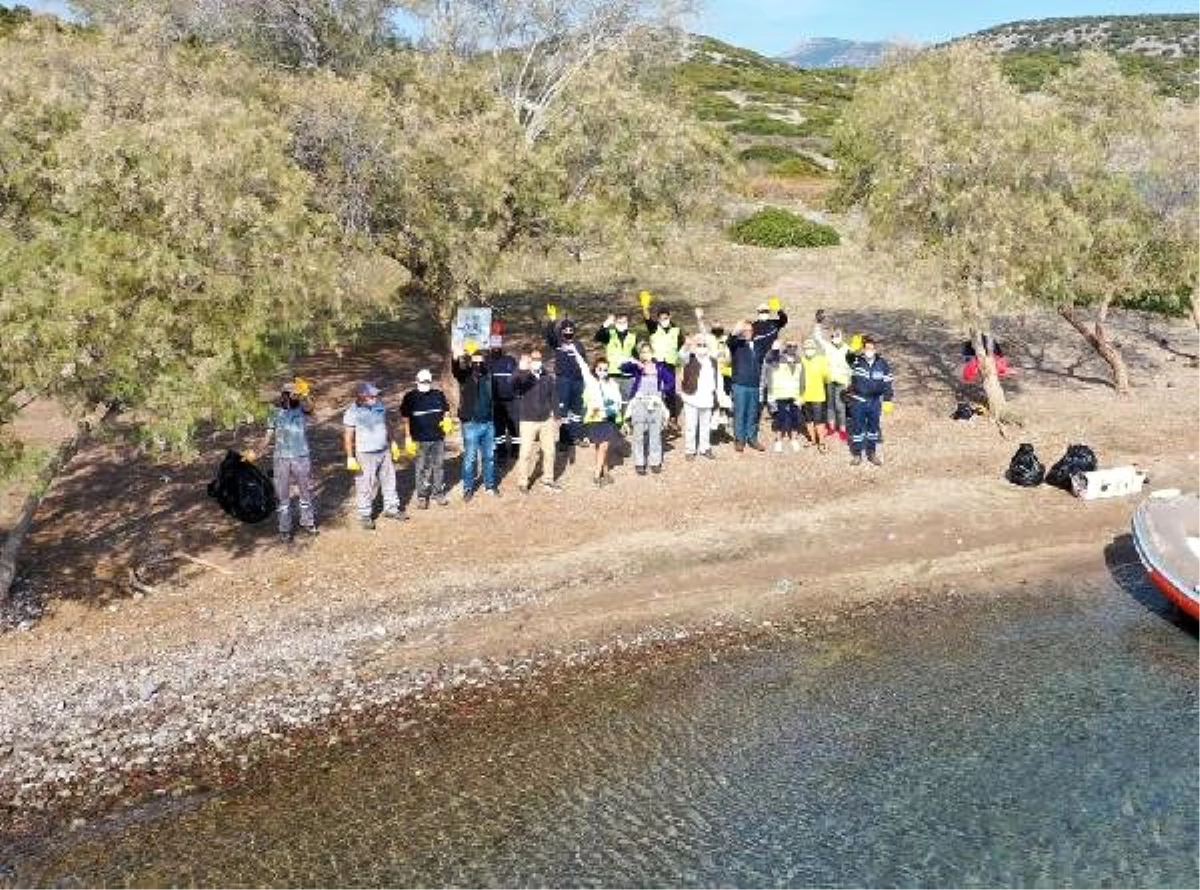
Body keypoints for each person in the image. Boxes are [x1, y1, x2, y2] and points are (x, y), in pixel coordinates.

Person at [254, 380, 318, 543]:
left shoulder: (302, 410)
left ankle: (308, 522)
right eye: (293, 393)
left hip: (301, 456)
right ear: (285, 395)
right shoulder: (274, 412)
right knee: (283, 496)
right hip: (281, 459)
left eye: (297, 394)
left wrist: (306, 394)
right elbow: (268, 436)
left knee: (305, 492)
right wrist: (256, 452)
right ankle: (285, 528)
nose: (295, 396)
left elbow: (311, 409)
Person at [343, 381, 406, 529]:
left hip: (383, 450)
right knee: (365, 484)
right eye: (372, 395)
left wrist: (393, 443)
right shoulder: (352, 412)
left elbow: (387, 425)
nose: (375, 397)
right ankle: (365, 514)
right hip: (365, 453)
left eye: (376, 395)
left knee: (389, 480)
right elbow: (348, 436)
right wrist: (350, 457)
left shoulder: (379, 405)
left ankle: (391, 508)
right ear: (361, 396)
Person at [451, 345, 499, 501]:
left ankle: (490, 485)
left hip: (488, 423)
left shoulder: (489, 376)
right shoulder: (465, 376)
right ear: (471, 362)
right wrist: (456, 356)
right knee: (470, 458)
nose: (478, 365)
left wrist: (491, 344)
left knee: (489, 456)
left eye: (481, 362)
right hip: (471, 424)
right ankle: (468, 488)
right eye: (475, 362)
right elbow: (456, 370)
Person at [512, 348, 563, 493]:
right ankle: (523, 481)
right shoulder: (523, 376)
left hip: (546, 420)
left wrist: (557, 415)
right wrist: (521, 370)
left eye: (539, 359)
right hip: (528, 421)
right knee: (525, 453)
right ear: (529, 361)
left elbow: (553, 396)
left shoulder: (547, 376)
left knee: (550, 451)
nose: (536, 362)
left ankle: (548, 479)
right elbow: (513, 384)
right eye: (533, 359)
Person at [399, 368, 451, 509]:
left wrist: (447, 419)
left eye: (426, 383)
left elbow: (446, 410)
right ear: (417, 382)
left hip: (438, 437)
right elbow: (406, 419)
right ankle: (422, 496)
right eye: (422, 383)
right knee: (421, 468)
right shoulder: (410, 397)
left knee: (438, 466)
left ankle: (438, 493)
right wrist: (408, 436)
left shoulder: (438, 394)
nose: (424, 386)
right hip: (419, 439)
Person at [620, 342, 673, 474]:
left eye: (648, 352)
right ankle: (639, 462)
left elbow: (671, 381)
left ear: (652, 353)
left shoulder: (659, 367)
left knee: (655, 433)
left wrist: (662, 389)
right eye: (643, 352)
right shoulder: (638, 368)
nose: (646, 355)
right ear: (640, 354)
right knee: (638, 434)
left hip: (655, 403)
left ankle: (655, 462)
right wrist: (636, 364)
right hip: (639, 403)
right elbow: (622, 368)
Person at [846, 335, 895, 466]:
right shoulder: (857, 361)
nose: (869, 350)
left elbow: (888, 382)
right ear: (863, 349)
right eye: (866, 348)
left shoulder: (882, 363)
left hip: (874, 402)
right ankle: (857, 454)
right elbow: (848, 358)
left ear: (875, 349)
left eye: (871, 348)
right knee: (857, 428)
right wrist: (851, 350)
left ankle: (872, 453)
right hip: (858, 400)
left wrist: (887, 399)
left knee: (873, 428)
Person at [577, 355, 624, 486]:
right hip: (595, 417)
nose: (603, 372)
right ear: (595, 369)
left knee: (603, 446)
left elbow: (618, 400)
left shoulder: (612, 383)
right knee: (599, 446)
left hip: (608, 418)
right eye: (600, 369)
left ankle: (598, 474)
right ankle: (605, 471)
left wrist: (614, 407)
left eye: (605, 369)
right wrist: (573, 349)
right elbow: (583, 366)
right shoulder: (591, 381)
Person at [545, 305, 586, 450]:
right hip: (563, 381)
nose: (568, 333)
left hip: (578, 381)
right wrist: (552, 321)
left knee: (576, 411)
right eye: (565, 331)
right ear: (561, 332)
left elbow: (584, 363)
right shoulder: (558, 344)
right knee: (564, 412)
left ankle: (576, 437)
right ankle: (564, 439)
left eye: (571, 331)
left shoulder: (579, 345)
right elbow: (550, 335)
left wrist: (586, 379)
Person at [678, 333, 721, 460]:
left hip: (707, 398)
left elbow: (717, 379)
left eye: (704, 345)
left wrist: (718, 396)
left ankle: (705, 448)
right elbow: (681, 355)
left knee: (705, 425)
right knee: (691, 426)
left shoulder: (712, 361)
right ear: (695, 346)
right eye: (699, 345)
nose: (702, 347)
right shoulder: (689, 358)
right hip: (691, 397)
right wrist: (687, 344)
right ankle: (690, 450)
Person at [727, 320, 767, 451]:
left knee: (753, 412)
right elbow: (730, 340)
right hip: (740, 384)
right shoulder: (737, 344)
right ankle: (740, 439)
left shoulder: (758, 345)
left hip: (754, 385)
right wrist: (736, 329)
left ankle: (752, 437)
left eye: (750, 330)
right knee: (740, 412)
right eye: (745, 330)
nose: (748, 333)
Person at [642, 299, 683, 421]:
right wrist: (645, 306)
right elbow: (647, 318)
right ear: (658, 319)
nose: (664, 320)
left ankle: (672, 416)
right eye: (661, 318)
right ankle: (656, 414)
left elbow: (681, 345)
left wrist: (678, 362)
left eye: (666, 318)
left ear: (669, 317)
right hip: (657, 363)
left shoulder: (676, 330)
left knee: (670, 389)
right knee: (656, 388)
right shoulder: (654, 327)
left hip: (670, 363)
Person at [813, 318, 851, 442]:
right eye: (833, 335)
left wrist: (848, 383)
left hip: (842, 381)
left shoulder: (847, 349)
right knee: (830, 406)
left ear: (842, 336)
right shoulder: (828, 347)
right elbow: (817, 338)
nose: (835, 337)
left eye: (837, 335)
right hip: (829, 380)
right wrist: (818, 324)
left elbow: (851, 367)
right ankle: (831, 427)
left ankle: (843, 430)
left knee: (840, 406)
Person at [764, 343, 804, 452]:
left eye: (794, 346)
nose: (792, 348)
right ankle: (778, 440)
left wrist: (801, 394)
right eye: (789, 346)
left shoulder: (799, 359)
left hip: (794, 393)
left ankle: (794, 439)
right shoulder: (778, 358)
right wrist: (774, 349)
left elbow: (802, 377)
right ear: (785, 347)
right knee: (779, 418)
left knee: (795, 417)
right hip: (780, 393)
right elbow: (768, 359)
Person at [488, 334, 520, 464]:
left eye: (498, 345)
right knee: (499, 429)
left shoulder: (510, 360)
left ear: (501, 346)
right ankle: (501, 452)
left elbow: (518, 378)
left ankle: (516, 449)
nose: (496, 348)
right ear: (490, 346)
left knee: (514, 427)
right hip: (495, 401)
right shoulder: (486, 361)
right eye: (493, 345)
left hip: (512, 400)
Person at [595, 311, 640, 401]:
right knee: (613, 401)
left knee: (628, 401)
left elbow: (636, 355)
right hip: (613, 374)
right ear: (615, 323)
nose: (622, 324)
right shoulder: (609, 334)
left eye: (624, 322)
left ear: (627, 323)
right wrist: (606, 324)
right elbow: (598, 337)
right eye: (619, 322)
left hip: (628, 375)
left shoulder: (633, 337)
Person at [799, 338, 831, 452]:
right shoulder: (801, 361)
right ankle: (812, 440)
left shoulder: (821, 360)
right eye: (806, 348)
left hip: (818, 395)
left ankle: (822, 442)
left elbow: (828, 377)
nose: (809, 350)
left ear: (815, 349)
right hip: (804, 396)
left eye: (811, 348)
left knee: (819, 420)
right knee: (808, 420)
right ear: (803, 349)